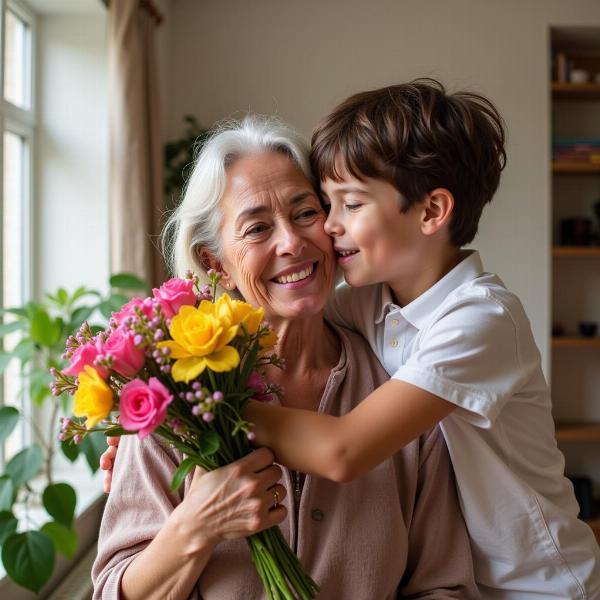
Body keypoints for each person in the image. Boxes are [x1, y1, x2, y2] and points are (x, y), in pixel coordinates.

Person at [92, 115, 478, 599]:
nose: (292, 242)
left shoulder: (398, 380)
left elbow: (445, 584)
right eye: (257, 228)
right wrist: (194, 527)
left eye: (305, 213)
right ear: (216, 265)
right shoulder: (165, 402)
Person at [242, 80, 600, 599]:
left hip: (537, 586)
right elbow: (280, 327)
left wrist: (208, 409)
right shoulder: (366, 300)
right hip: (457, 577)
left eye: (351, 204)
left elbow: (344, 451)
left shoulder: (481, 320)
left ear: (432, 211)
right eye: (327, 203)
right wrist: (155, 429)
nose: (328, 226)